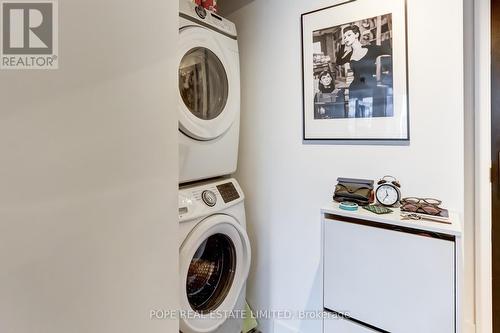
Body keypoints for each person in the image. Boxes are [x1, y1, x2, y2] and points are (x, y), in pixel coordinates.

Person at [341, 24, 391, 117]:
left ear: (356, 35)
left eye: (348, 35)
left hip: (369, 88)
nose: (346, 38)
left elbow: (390, 52)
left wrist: (385, 73)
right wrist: (342, 47)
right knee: (354, 118)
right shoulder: (349, 54)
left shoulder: (371, 49)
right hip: (354, 89)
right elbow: (339, 60)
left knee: (368, 118)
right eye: (344, 37)